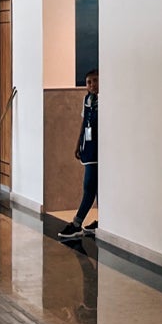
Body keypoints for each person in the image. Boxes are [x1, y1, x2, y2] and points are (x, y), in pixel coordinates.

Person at [58, 70, 99, 241]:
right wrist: (78, 143)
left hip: (100, 147)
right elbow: (84, 122)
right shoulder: (87, 100)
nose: (92, 85)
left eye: (95, 81)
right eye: (89, 82)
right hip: (88, 147)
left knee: (89, 185)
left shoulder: (106, 99)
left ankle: (77, 223)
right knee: (94, 185)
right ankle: (102, 222)